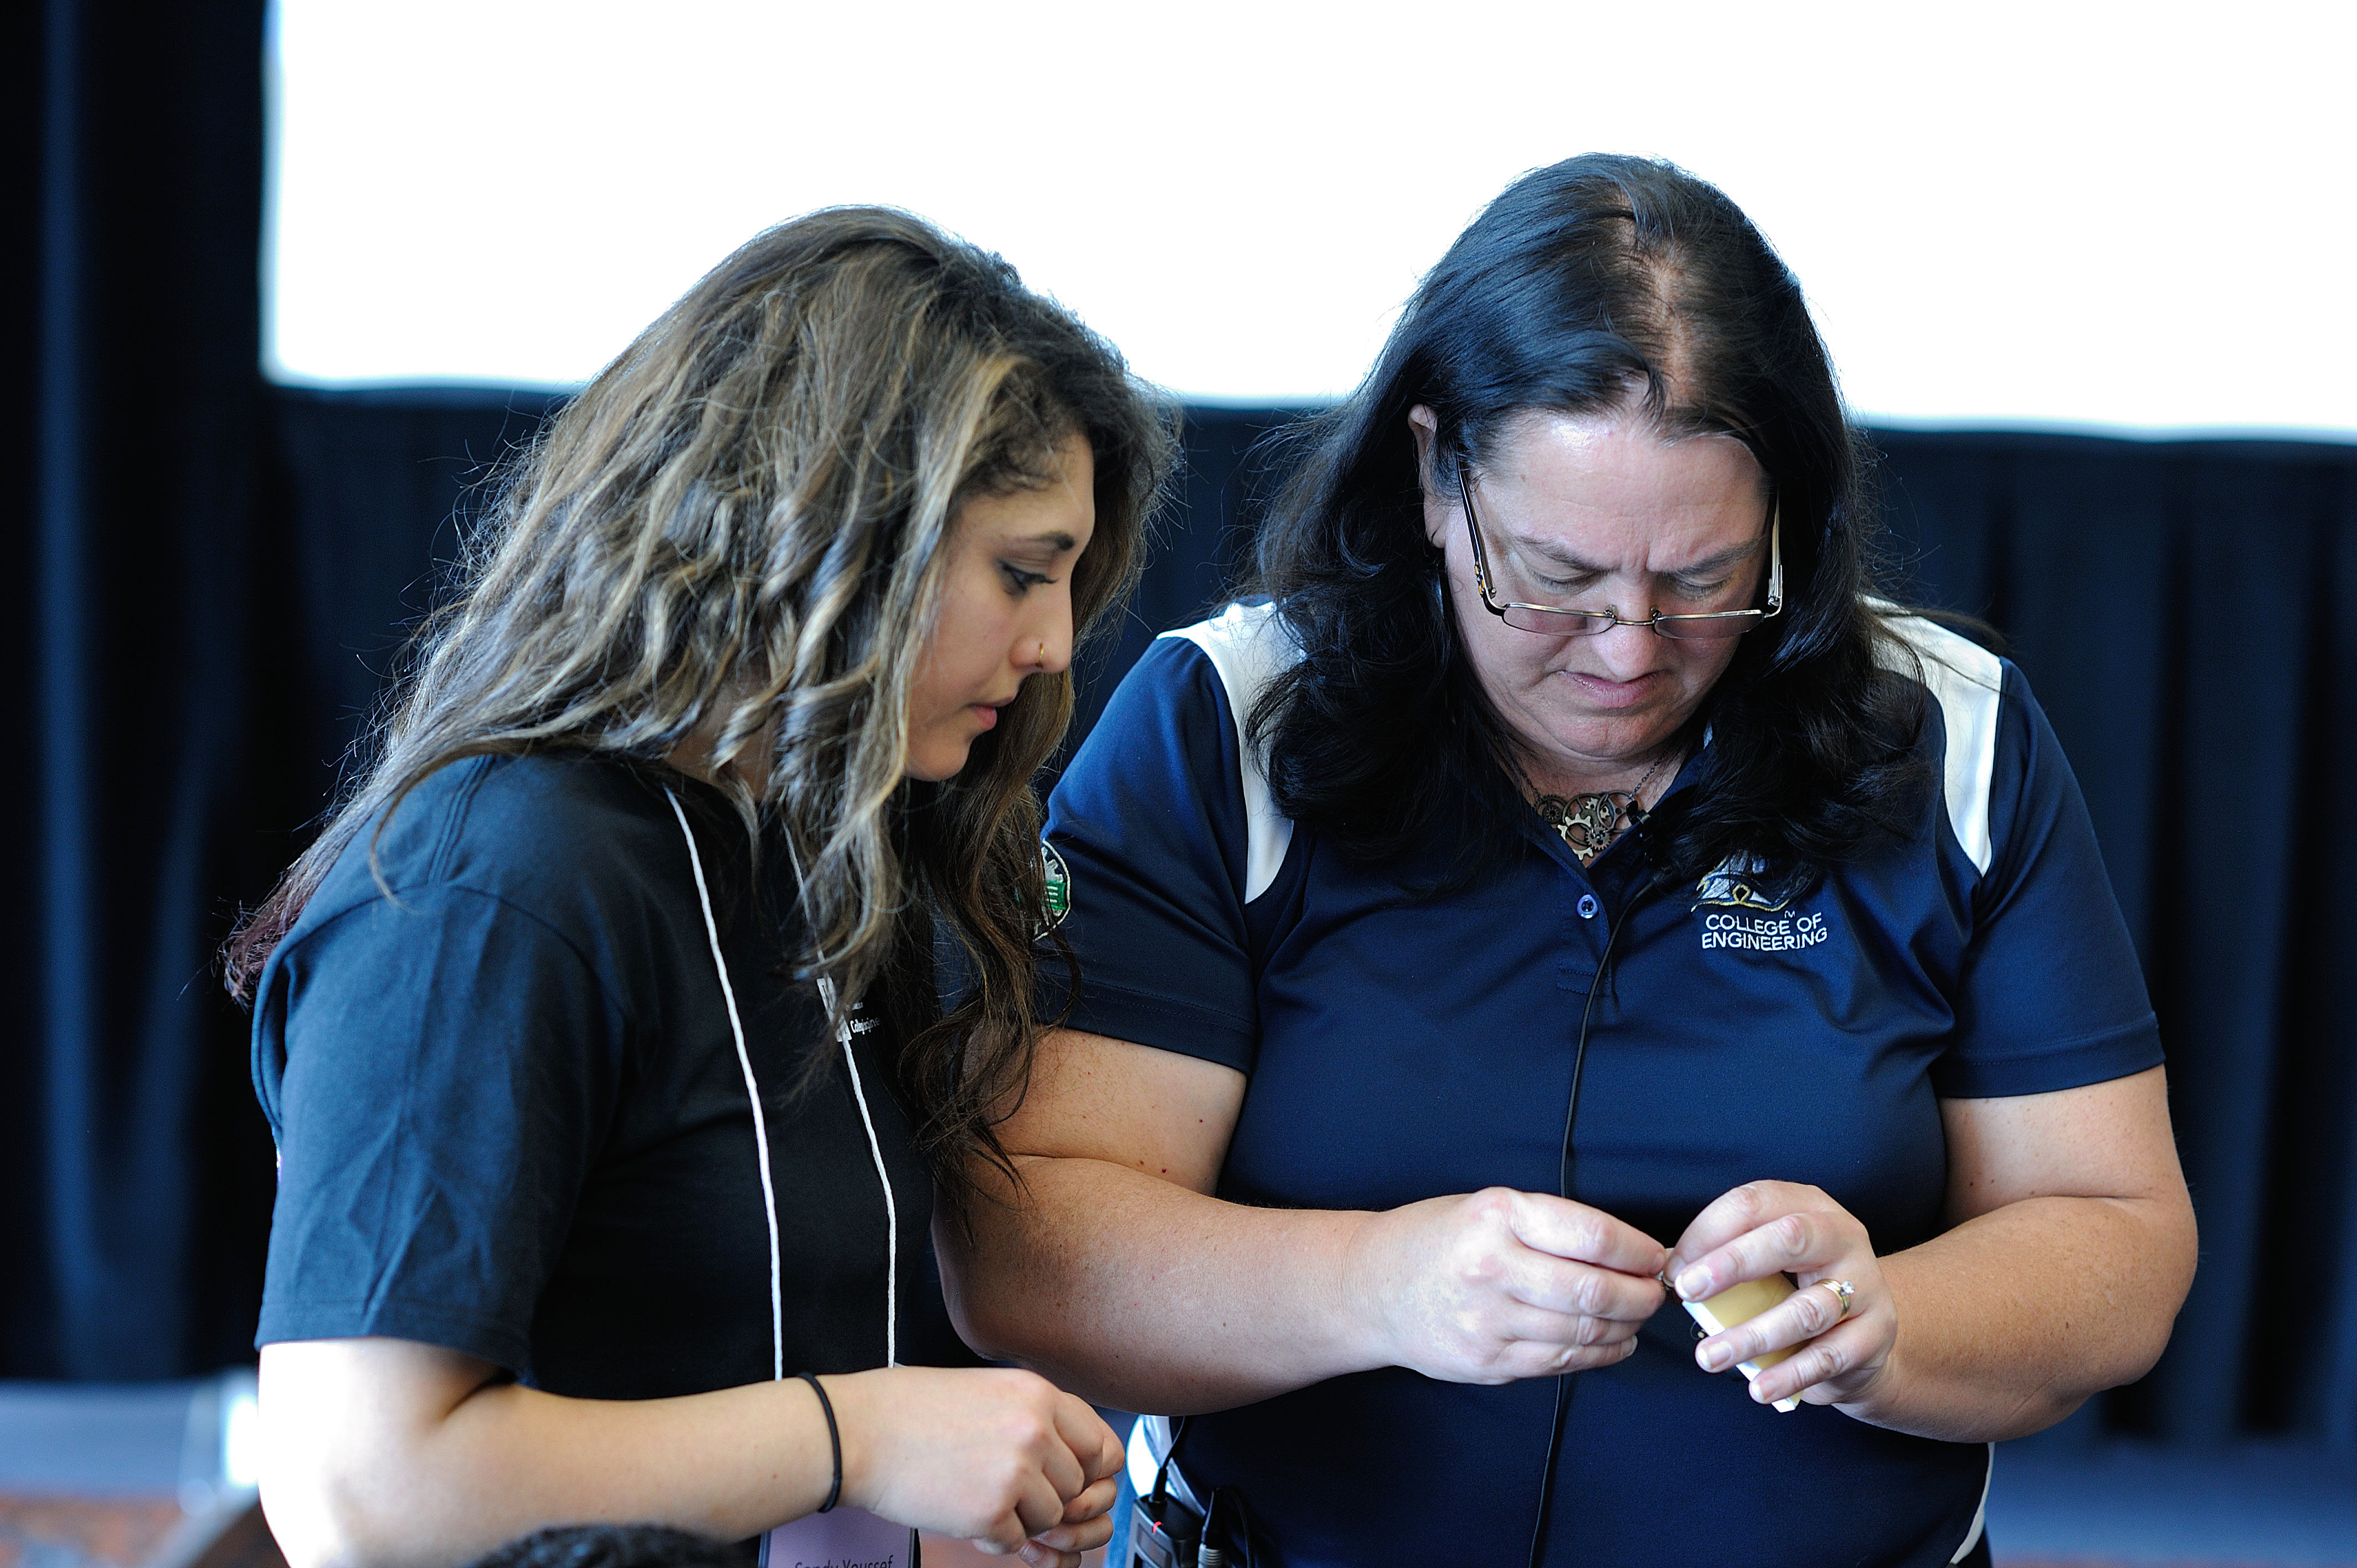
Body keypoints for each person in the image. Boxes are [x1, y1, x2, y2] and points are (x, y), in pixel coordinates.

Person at [940, 156, 2198, 1567]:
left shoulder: (1948, 741)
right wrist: (1378, 1286)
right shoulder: (1227, 724)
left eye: (1706, 581)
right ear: (1430, 474)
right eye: (1552, 578)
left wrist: (1888, 1322)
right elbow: (1026, 1241)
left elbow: (2114, 1239)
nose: (1627, 648)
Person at [226, 208, 1173, 1568]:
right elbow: (362, 1493)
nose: (1051, 645)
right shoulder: (491, 879)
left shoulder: (814, 848)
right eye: (1022, 572)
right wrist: (867, 1435)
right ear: (828, 525)